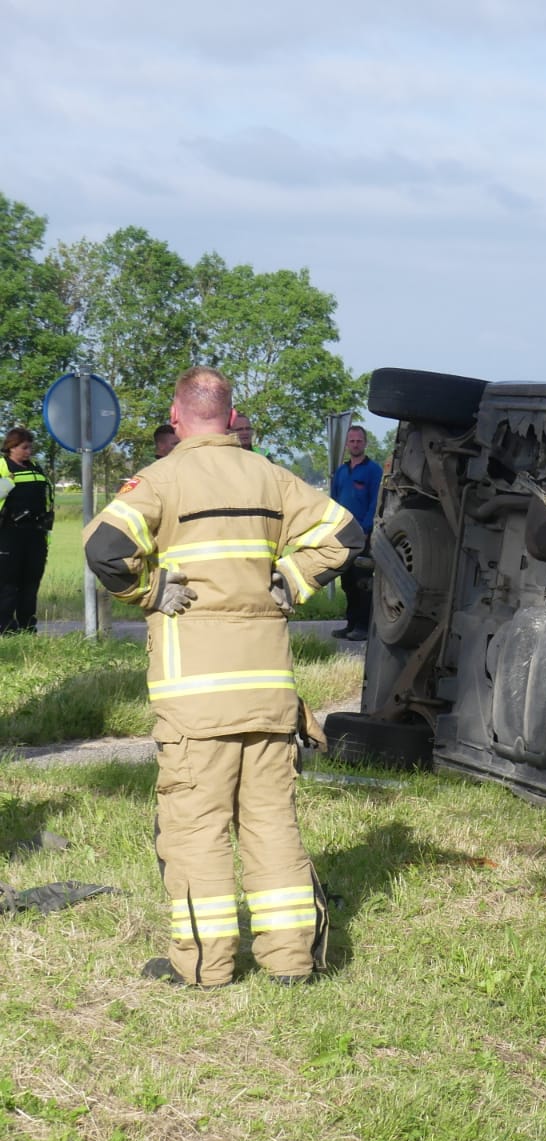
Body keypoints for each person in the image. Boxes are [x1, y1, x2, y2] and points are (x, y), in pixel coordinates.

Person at [83, 367, 363, 989]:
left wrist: (151, 589)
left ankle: (205, 967)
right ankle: (290, 961)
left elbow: (104, 549)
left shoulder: (161, 480)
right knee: (272, 823)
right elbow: (346, 534)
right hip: (267, 693)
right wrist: (292, 579)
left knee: (197, 829)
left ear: (177, 417)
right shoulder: (271, 477)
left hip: (195, 699)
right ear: (231, 418)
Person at [329, 425, 382, 641]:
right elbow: (333, 502)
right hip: (343, 535)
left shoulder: (373, 471)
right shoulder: (341, 472)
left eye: (359, 441)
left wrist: (366, 529)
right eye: (352, 441)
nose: (355, 444)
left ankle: (363, 626)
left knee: (362, 582)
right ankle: (350, 624)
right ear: (347, 444)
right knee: (348, 582)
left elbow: (376, 502)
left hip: (363, 535)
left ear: (365, 443)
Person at [0, 428, 54, 634]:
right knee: (8, 583)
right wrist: (7, 483)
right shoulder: (3, 467)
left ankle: (27, 626)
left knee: (31, 582)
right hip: (8, 533)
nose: (28, 452)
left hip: (36, 533)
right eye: (24, 447)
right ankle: (5, 627)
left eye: (30, 447)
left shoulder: (36, 468)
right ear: (11, 447)